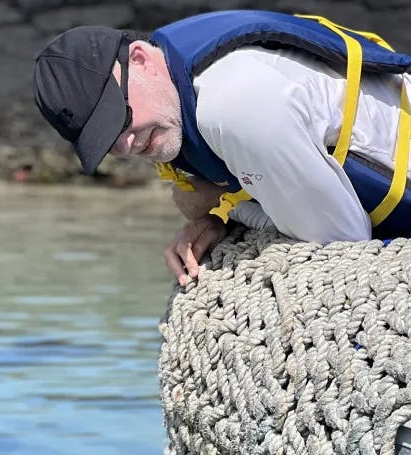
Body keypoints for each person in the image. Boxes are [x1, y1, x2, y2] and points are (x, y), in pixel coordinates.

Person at [33, 11, 411, 284]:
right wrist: (216, 218)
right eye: (106, 142)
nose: (128, 144)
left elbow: (341, 240)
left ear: (140, 58)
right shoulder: (172, 77)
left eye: (121, 116)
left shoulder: (234, 105)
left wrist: (230, 213)